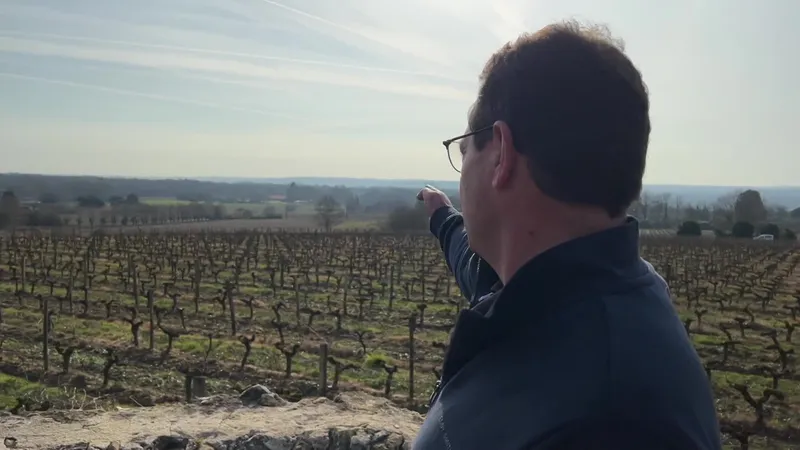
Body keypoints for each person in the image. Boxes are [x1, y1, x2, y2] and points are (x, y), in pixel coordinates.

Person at [412, 21, 721, 450]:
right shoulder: (561, 289)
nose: (461, 170)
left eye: (463, 150)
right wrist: (442, 217)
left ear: (500, 154)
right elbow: (474, 265)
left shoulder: (613, 425)